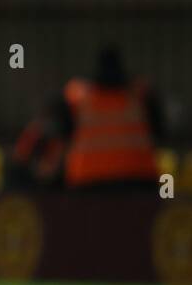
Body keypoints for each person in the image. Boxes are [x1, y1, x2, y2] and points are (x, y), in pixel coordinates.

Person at [57, 46, 163, 191]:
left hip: (88, 181)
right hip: (138, 180)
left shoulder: (78, 99)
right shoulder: (141, 97)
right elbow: (161, 132)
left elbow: (63, 135)